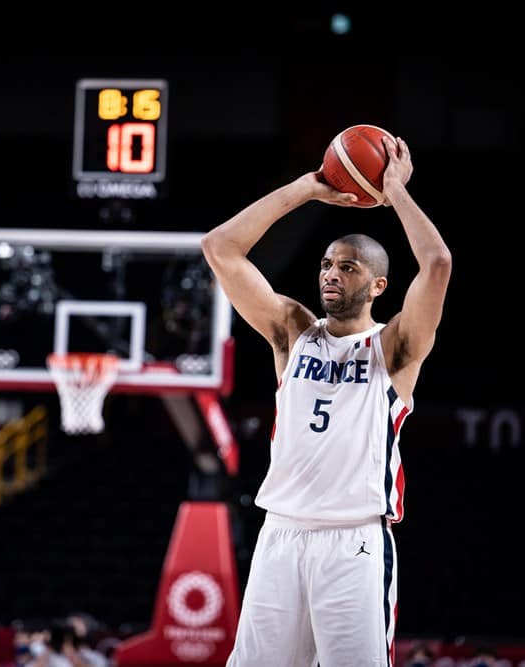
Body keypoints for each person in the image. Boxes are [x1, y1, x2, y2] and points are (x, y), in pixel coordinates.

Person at [201, 134, 451, 666]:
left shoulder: (395, 347)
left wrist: (394, 191)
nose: (331, 274)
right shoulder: (293, 331)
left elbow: (437, 265)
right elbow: (218, 247)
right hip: (280, 533)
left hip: (354, 541)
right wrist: (304, 188)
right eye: (326, 265)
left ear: (379, 285)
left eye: (348, 267)